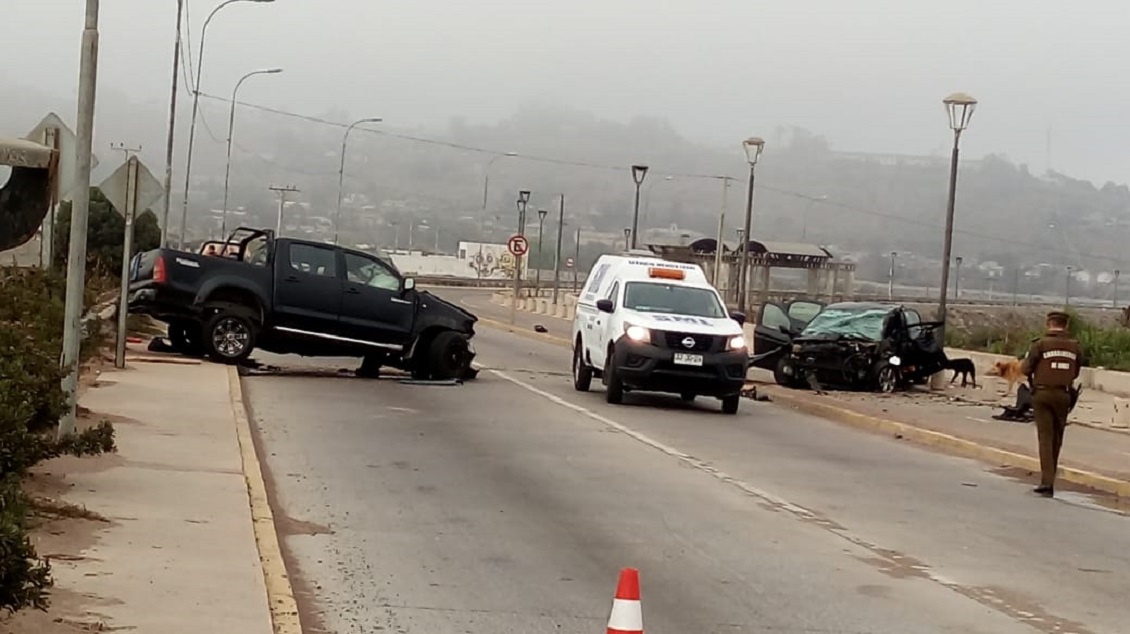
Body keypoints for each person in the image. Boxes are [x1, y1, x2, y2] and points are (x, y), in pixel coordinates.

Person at [1019, 310, 1081, 497]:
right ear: (1066, 326)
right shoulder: (1075, 347)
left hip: (1043, 394)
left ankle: (1047, 482)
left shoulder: (1040, 344)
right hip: (1064, 395)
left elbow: (1025, 369)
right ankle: (1050, 476)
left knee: (1045, 438)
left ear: (1049, 324)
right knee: (1057, 437)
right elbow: (1076, 371)